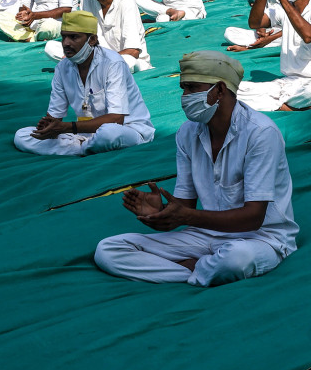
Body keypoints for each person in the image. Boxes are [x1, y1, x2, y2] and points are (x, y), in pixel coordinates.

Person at [94, 50, 298, 287]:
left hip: (260, 238)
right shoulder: (187, 133)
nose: (184, 96)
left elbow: (253, 218)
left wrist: (187, 216)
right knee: (109, 249)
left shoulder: (261, 133)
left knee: (235, 259)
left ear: (220, 90)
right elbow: (185, 206)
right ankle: (197, 270)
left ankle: (192, 268)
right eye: (183, 88)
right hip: (205, 233)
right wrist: (162, 211)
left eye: (191, 88)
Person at [14, 11, 154, 156]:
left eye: (74, 37)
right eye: (64, 37)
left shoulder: (113, 63)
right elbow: (54, 116)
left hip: (127, 130)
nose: (66, 43)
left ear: (92, 40)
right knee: (22, 136)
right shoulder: (63, 68)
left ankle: (80, 148)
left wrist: (67, 128)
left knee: (108, 133)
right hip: (82, 134)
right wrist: (48, 126)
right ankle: (85, 147)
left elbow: (116, 119)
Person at [46, 0, 152, 72]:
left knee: (128, 61)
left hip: (127, 59)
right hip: (97, 57)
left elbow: (133, 51)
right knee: (51, 47)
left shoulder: (126, 2)